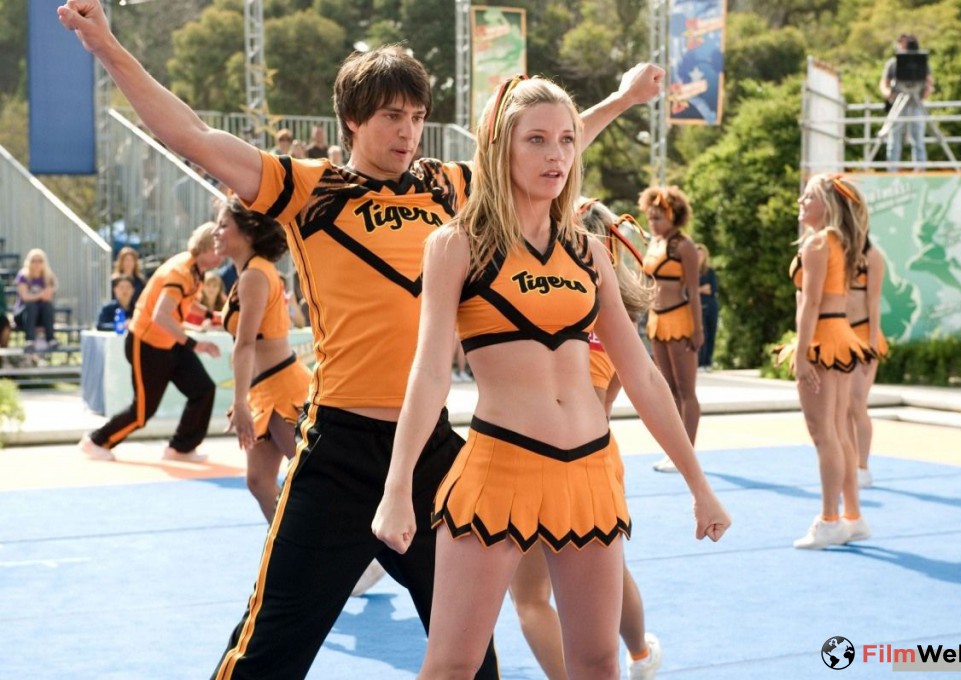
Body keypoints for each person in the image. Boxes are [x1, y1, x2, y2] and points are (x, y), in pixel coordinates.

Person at [58, 2, 662, 676]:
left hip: (431, 453)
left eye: (417, 116)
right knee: (267, 653)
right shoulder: (308, 190)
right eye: (391, 116)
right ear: (352, 118)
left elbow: (539, 147)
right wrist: (107, 47)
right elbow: (193, 135)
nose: (408, 132)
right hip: (339, 452)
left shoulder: (448, 188)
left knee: (469, 662)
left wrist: (624, 99)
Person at [372, 75, 729, 680]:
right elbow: (429, 373)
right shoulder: (456, 246)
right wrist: (397, 485)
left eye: (566, 139)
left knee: (597, 661)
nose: (556, 154)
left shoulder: (588, 252)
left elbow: (642, 375)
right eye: (536, 139)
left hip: (589, 474)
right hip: (499, 470)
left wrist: (699, 484)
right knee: (452, 664)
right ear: (500, 148)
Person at [506, 198, 662, 680]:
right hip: (595, 450)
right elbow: (618, 390)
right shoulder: (617, 315)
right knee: (608, 571)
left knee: (532, 599)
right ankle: (641, 655)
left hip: (526, 448)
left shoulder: (539, 296)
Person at [78, 222, 223, 463]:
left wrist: (212, 316)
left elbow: (185, 302)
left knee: (203, 389)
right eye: (218, 248)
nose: (223, 254)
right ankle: (96, 441)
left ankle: (180, 449)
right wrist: (195, 344)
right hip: (146, 344)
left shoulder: (195, 270)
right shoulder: (180, 272)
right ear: (206, 248)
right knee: (143, 411)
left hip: (169, 341)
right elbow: (160, 315)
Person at [785, 174, 875, 549]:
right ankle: (852, 516)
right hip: (839, 334)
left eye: (809, 197)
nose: (801, 202)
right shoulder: (838, 241)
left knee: (824, 434)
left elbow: (810, 303)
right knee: (838, 430)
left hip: (823, 338)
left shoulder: (819, 243)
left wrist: (802, 353)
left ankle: (829, 519)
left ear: (828, 205)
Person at [214, 197, 313, 522]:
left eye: (223, 225)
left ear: (247, 232)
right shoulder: (251, 273)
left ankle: (338, 546)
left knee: (312, 477)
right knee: (259, 480)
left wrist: (239, 401)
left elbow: (245, 344)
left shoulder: (255, 275)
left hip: (282, 390)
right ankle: (283, 547)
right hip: (266, 389)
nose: (215, 232)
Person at [640, 186, 703, 472]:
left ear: (674, 216)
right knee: (668, 391)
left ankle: (687, 455)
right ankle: (675, 451)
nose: (652, 222)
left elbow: (694, 291)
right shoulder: (654, 242)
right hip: (656, 321)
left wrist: (698, 330)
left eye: (658, 217)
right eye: (650, 217)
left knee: (686, 390)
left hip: (680, 320)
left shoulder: (684, 246)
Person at [846, 236, 889, 487]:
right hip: (839, 334)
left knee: (857, 401)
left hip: (864, 335)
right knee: (842, 407)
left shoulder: (872, 256)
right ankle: (849, 462)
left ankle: (862, 466)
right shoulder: (836, 252)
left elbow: (873, 301)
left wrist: (872, 344)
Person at [879, 34, 933, 169]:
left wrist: (925, 92)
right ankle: (892, 170)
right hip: (898, 104)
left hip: (916, 104)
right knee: (894, 139)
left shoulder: (922, 63)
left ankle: (920, 170)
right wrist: (888, 94)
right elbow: (884, 83)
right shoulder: (892, 63)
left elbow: (929, 82)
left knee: (918, 139)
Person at [13, 248, 59, 351]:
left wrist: (35, 295)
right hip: (23, 315)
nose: (37, 263)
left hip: (41, 315)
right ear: (29, 262)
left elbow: (48, 297)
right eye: (34, 261)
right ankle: (30, 340)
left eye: (40, 261)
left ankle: (51, 339)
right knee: (31, 305)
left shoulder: (48, 277)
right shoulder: (23, 276)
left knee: (48, 306)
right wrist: (41, 294)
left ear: (44, 262)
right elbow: (25, 297)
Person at [696, 242, 718, 372]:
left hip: (711, 306)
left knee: (711, 333)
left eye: (701, 254)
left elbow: (712, 289)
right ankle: (700, 363)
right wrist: (701, 289)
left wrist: (696, 289)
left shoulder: (710, 271)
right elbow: (687, 290)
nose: (699, 256)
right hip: (697, 307)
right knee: (702, 334)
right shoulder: (689, 270)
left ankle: (708, 362)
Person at [111, 245, 146, 313]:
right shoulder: (114, 280)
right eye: (126, 260)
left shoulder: (140, 281)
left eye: (131, 260)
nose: (128, 263)